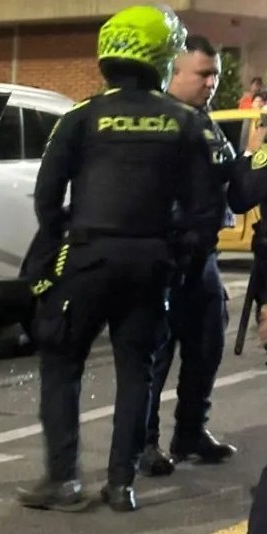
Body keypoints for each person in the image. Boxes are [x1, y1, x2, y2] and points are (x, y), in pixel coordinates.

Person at [17, 4, 223, 513]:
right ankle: (121, 483)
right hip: (151, 264)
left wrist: (63, 242)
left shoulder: (81, 117)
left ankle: (63, 481)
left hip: (88, 259)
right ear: (162, 58)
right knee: (137, 371)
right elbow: (204, 212)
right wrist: (176, 259)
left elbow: (46, 197)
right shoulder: (185, 123)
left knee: (62, 363)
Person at [139, 35, 238, 478]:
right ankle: (143, 442)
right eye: (203, 74)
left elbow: (228, 178)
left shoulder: (204, 121)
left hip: (203, 255)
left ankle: (191, 432)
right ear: (174, 73)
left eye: (215, 74)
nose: (211, 83)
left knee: (207, 343)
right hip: (166, 254)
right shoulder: (155, 122)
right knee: (156, 354)